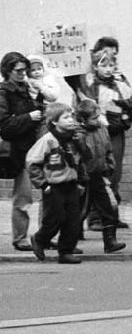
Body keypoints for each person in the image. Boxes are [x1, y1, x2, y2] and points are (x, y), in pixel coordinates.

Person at [76, 49, 132, 208]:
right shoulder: (88, 84)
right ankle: (94, 214)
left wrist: (127, 117)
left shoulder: (120, 84)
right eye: (104, 65)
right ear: (95, 66)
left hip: (115, 133)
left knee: (114, 170)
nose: (108, 69)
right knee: (95, 170)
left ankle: (112, 211)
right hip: (94, 132)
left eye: (111, 65)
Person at [25, 103, 86, 264]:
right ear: (54, 122)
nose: (70, 120)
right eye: (65, 117)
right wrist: (43, 184)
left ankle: (65, 251)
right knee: (55, 218)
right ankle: (39, 239)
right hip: (54, 186)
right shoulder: (48, 140)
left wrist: (81, 181)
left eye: (71, 116)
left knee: (73, 220)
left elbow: (81, 161)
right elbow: (32, 162)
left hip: (71, 185)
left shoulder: (74, 139)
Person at [0, 51, 44, 251]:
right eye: (18, 70)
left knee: (35, 194)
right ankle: (20, 238)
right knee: (23, 196)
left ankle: (38, 236)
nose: (23, 73)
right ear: (7, 71)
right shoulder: (3, 92)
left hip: (32, 147)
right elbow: (4, 126)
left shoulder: (28, 88)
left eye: (24, 70)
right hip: (15, 150)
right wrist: (30, 117)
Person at [76, 99, 127, 254]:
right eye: (94, 118)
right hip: (84, 177)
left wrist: (109, 165)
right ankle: (71, 239)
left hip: (99, 175)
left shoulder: (102, 129)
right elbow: (76, 156)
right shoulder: (78, 134)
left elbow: (108, 149)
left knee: (108, 207)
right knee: (79, 210)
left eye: (98, 116)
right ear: (82, 120)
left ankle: (110, 241)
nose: (97, 120)